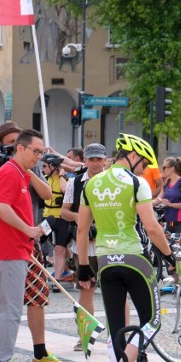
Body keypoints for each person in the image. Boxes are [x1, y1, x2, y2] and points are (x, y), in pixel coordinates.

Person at [77, 133, 175, 362]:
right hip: (135, 259)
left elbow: (82, 229)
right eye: (143, 163)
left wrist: (84, 265)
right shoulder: (136, 183)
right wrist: (169, 257)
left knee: (117, 325)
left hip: (106, 262)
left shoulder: (92, 184)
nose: (144, 169)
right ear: (132, 156)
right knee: (152, 321)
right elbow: (152, 228)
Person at [0, 122, 67, 362]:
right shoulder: (7, 172)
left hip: (14, 249)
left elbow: (46, 194)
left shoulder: (18, 171)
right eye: (36, 152)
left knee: (4, 310)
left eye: (41, 153)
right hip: (8, 249)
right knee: (9, 311)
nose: (40, 157)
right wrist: (28, 229)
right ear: (20, 148)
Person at [61, 143, 108, 351]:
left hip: (110, 245)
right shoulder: (76, 182)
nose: (96, 163)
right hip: (85, 246)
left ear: (105, 160)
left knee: (115, 292)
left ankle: (118, 336)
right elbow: (64, 212)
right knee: (86, 291)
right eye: (92, 159)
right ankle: (85, 337)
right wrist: (82, 219)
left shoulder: (115, 182)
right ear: (85, 161)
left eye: (99, 159)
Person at [40, 153, 73, 284]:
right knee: (38, 242)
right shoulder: (45, 179)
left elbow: (65, 190)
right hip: (48, 217)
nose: (42, 168)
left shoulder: (63, 179)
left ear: (52, 166)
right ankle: (68, 268)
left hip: (62, 219)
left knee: (59, 249)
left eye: (44, 166)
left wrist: (61, 175)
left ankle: (57, 280)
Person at [155, 157, 181, 248]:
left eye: (164, 167)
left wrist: (170, 204)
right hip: (170, 223)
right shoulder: (166, 184)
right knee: (171, 253)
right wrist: (145, 204)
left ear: (172, 168)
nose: (162, 170)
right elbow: (157, 200)